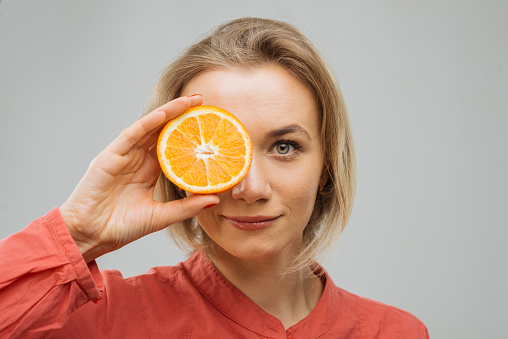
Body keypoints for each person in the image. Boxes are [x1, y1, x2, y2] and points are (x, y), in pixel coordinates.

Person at [0, 18, 429, 338]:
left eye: (284, 147)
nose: (250, 189)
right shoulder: (101, 319)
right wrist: (76, 234)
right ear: (178, 165)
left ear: (327, 168)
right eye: (218, 150)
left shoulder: (395, 331)